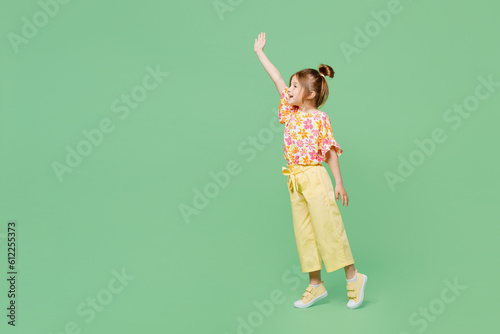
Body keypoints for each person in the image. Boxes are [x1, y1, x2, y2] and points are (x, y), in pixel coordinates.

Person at [254, 32, 367, 309]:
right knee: (304, 233)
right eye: (290, 86)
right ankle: (315, 285)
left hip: (315, 177)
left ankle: (354, 278)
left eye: (295, 86)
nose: (289, 90)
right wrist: (260, 53)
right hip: (294, 179)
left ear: (311, 94)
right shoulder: (290, 112)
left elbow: (329, 151)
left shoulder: (320, 118)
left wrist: (339, 182)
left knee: (328, 227)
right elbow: (277, 79)